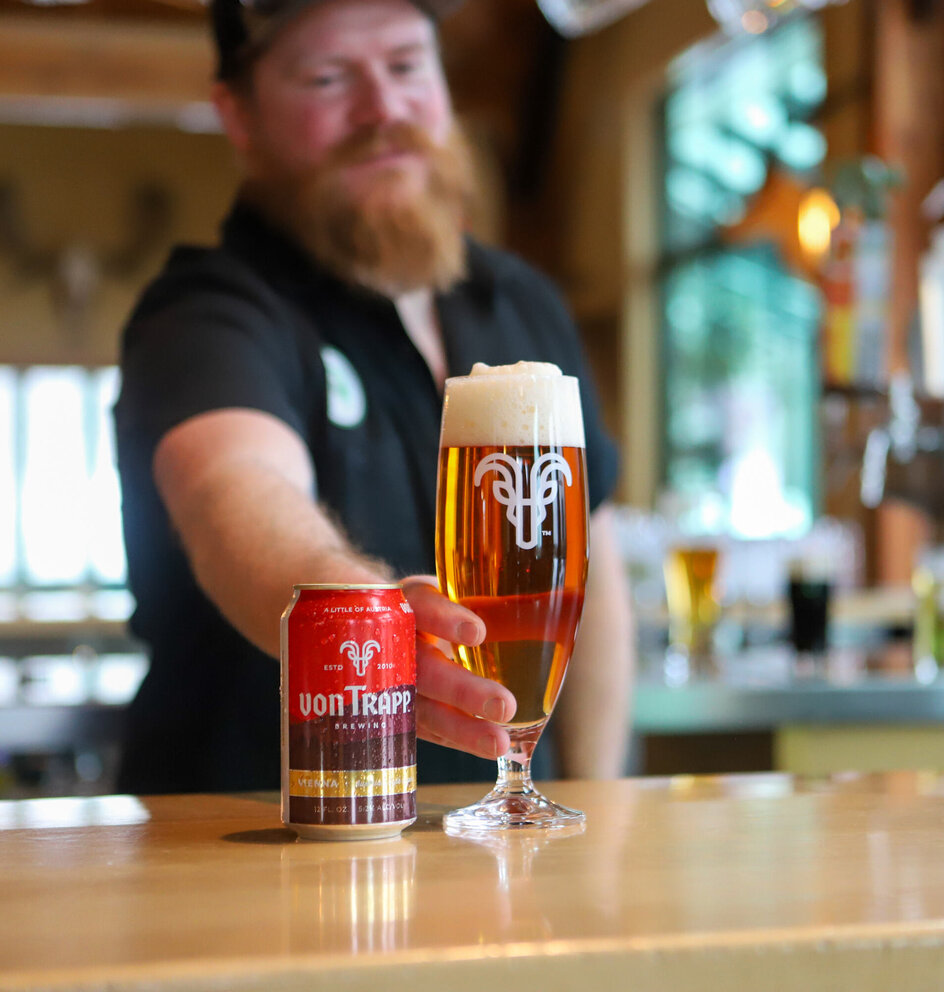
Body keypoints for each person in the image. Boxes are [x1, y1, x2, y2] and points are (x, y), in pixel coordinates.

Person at [114, 0, 635, 794]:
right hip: (247, 838)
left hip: (500, 852)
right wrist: (362, 617)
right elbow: (236, 488)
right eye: (328, 78)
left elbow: (592, 572)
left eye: (405, 65)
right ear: (240, 116)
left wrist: (596, 807)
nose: (383, 108)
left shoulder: (521, 301)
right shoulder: (207, 312)